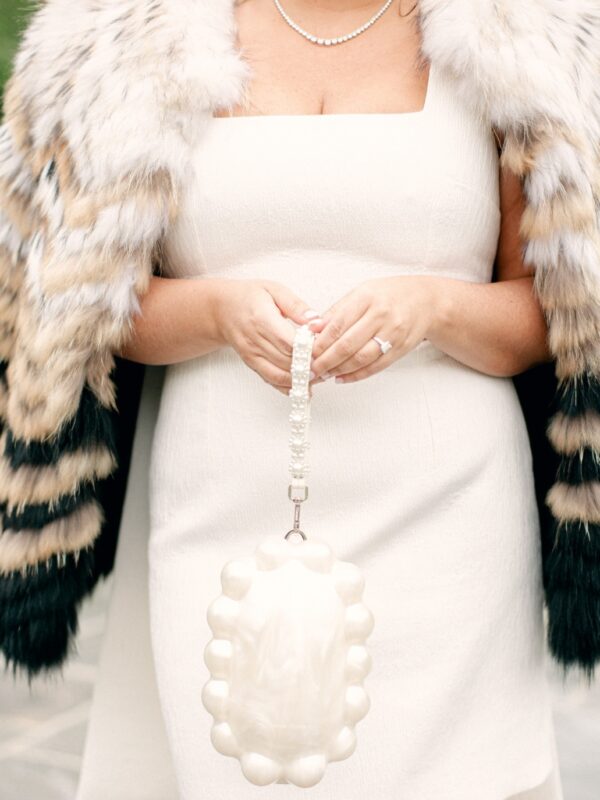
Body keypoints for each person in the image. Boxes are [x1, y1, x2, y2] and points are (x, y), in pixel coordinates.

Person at [1, 0, 598, 798]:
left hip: (451, 526)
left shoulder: (526, 36)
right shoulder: (123, 36)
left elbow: (559, 310)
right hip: (217, 522)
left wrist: (436, 307)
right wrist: (215, 312)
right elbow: (68, 308)